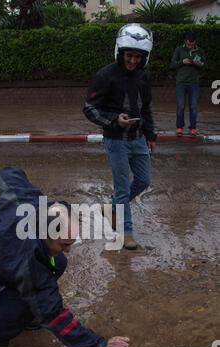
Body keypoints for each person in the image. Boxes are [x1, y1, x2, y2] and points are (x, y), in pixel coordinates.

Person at [0, 166, 130, 347]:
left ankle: (24, 313)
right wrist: (99, 346)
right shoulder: (28, 264)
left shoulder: (29, 202)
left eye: (71, 242)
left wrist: (14, 170)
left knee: (58, 262)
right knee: (25, 304)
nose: (68, 249)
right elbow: (56, 316)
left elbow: (7, 175)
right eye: (64, 244)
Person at [83, 23, 156, 250]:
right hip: (116, 141)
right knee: (123, 187)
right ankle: (126, 232)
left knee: (144, 180)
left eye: (137, 56)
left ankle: (113, 206)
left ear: (144, 57)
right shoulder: (105, 75)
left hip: (137, 139)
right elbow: (90, 108)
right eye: (129, 55)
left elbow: (146, 108)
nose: (133, 61)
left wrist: (150, 135)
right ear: (120, 52)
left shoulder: (144, 76)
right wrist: (114, 121)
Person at [171, 31, 206, 136]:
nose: (190, 46)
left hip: (193, 83)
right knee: (181, 106)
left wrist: (198, 63)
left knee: (194, 106)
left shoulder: (199, 51)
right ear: (185, 41)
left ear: (195, 42)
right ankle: (179, 128)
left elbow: (203, 64)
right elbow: (172, 64)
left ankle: (193, 128)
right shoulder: (179, 49)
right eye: (188, 44)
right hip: (181, 82)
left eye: (192, 44)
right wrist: (182, 62)